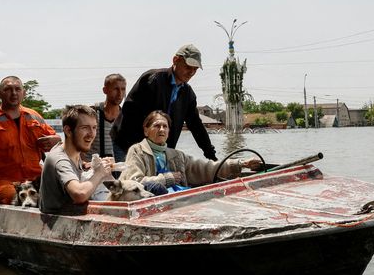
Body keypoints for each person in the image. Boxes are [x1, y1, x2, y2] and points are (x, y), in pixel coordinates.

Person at [0, 76, 61, 217]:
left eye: (18, 89)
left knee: (66, 193)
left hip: (37, 178)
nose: (14, 93)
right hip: (4, 182)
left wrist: (57, 139)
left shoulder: (34, 116)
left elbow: (58, 147)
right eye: (8, 90)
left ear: (24, 93)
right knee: (17, 199)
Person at [112, 44, 216, 162]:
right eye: (188, 67)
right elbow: (130, 112)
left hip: (158, 150)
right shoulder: (152, 79)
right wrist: (141, 151)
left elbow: (196, 126)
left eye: (195, 69)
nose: (191, 72)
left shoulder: (188, 94)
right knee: (129, 178)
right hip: (127, 144)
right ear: (175, 60)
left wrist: (211, 155)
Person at [120, 110, 260, 194]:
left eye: (165, 126)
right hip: (151, 206)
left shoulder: (177, 155)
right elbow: (134, 183)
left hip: (180, 200)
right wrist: (166, 179)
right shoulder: (137, 151)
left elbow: (207, 168)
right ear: (146, 130)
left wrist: (241, 164)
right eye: (157, 126)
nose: (162, 129)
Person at [40, 105, 114, 214]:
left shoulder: (73, 153)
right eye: (85, 128)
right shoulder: (60, 159)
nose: (91, 134)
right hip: (58, 224)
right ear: (68, 131)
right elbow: (79, 194)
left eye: (94, 128)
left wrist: (94, 167)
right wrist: (100, 173)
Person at [88, 73, 126, 159]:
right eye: (116, 89)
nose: (120, 94)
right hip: (92, 167)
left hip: (117, 169)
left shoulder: (126, 117)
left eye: (123, 89)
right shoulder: (92, 113)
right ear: (105, 90)